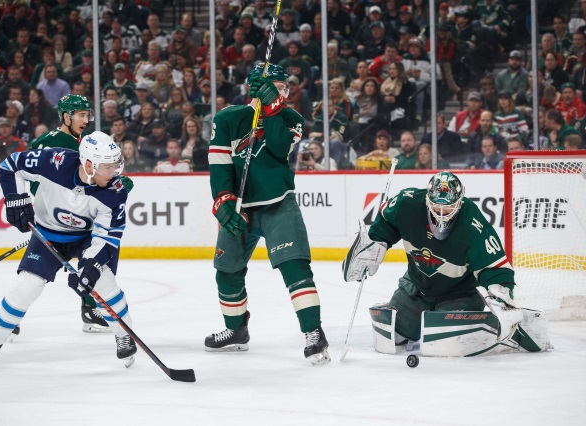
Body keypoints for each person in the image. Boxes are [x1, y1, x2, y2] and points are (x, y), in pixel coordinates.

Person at [0, 131, 138, 368]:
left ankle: (123, 334)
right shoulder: (54, 162)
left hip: (86, 238)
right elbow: (11, 166)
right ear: (88, 164)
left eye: (115, 166)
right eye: (107, 167)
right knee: (27, 284)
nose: (115, 173)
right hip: (47, 232)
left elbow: (107, 237)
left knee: (103, 282)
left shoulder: (115, 191)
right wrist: (16, 199)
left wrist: (90, 267)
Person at [205, 63, 330, 366]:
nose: (285, 92)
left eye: (285, 88)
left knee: (294, 266)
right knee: (227, 269)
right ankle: (236, 331)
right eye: (279, 86)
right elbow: (219, 165)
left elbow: (277, 146)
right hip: (240, 208)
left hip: (278, 204)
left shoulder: (290, 118)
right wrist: (222, 202)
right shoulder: (227, 119)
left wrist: (272, 105)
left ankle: (314, 332)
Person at [342, 171, 523, 346]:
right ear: (427, 198)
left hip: (460, 293)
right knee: (394, 336)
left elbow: (495, 266)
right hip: (416, 287)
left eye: (449, 206)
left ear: (460, 202)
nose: (442, 212)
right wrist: (376, 242)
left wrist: (501, 297)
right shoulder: (408, 203)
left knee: (446, 341)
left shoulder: (472, 222)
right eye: (437, 205)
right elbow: (386, 220)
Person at [29, 95, 132, 333]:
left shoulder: (83, 141)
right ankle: (14, 317)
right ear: (66, 116)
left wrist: (116, 182)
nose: (86, 119)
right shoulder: (52, 140)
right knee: (35, 273)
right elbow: (42, 181)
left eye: (88, 114)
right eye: (81, 115)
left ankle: (90, 307)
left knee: (99, 256)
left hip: (79, 213)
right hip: (60, 215)